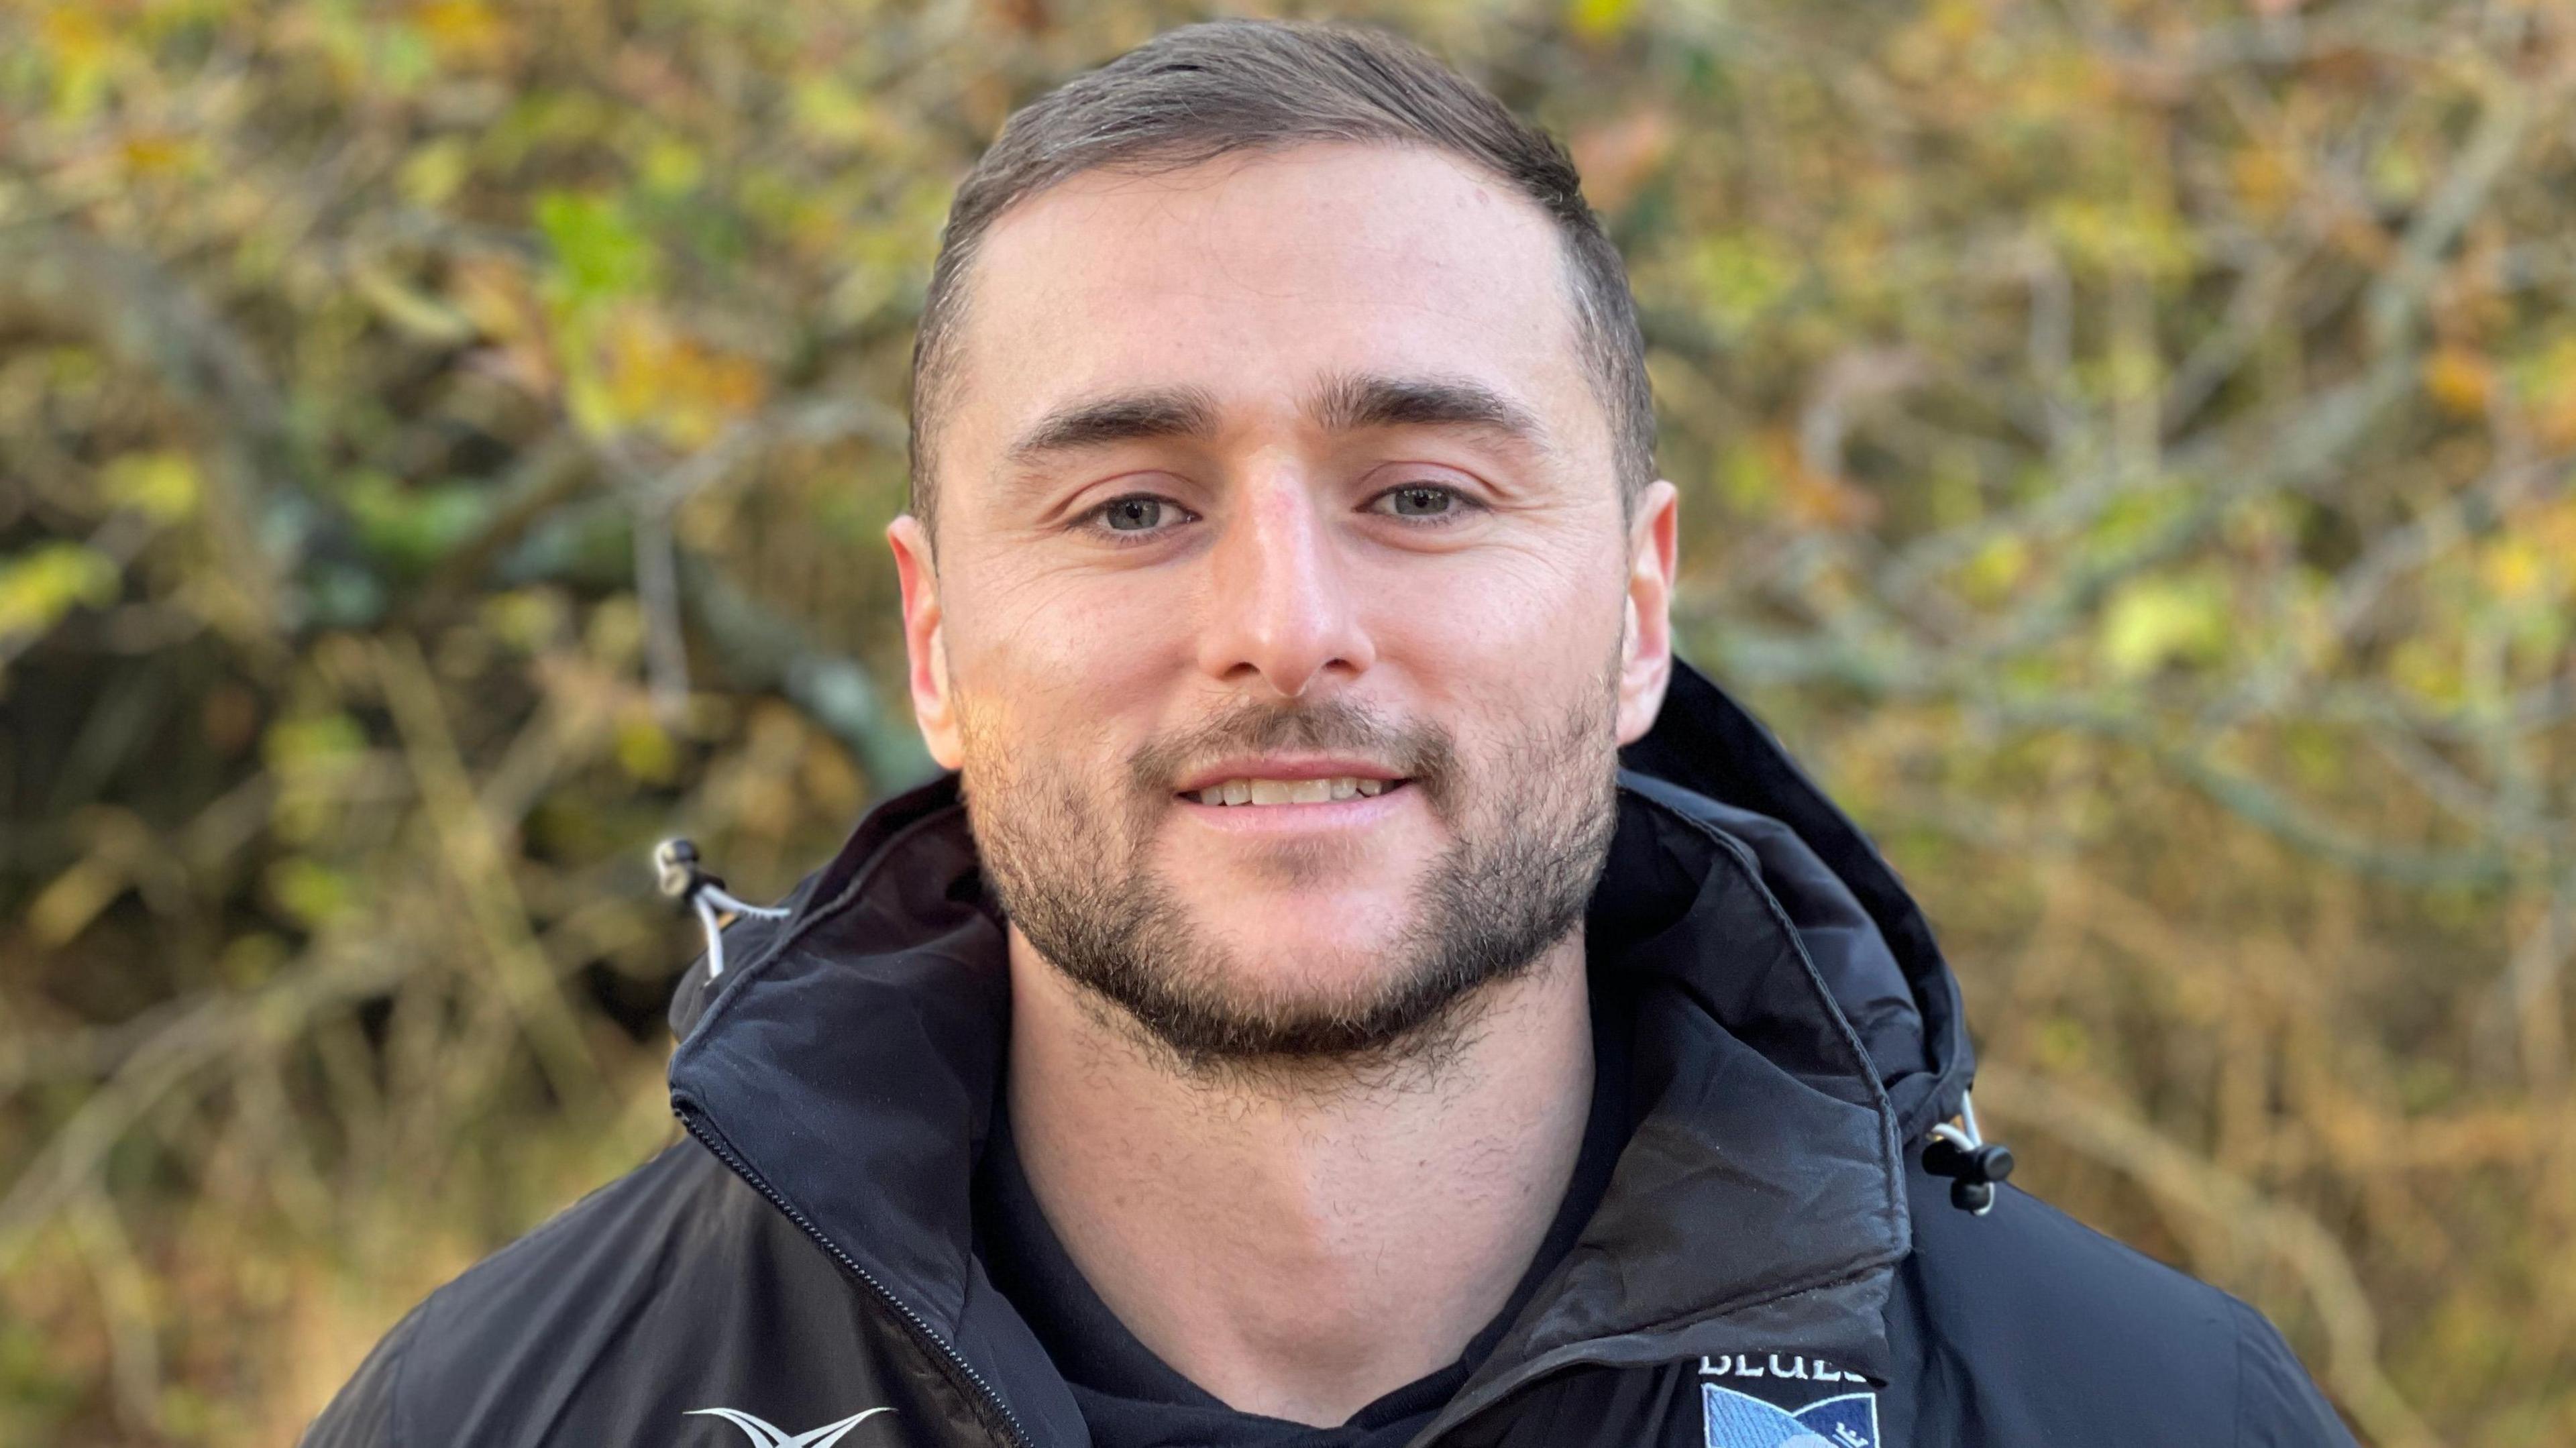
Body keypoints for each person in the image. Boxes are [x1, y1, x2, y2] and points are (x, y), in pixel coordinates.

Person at [304, 19, 2359, 1448]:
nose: (1284, 627)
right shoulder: (499, 1417)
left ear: (1641, 610)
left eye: (1424, 493)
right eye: (1131, 509)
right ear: (934, 637)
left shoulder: (2150, 1415)